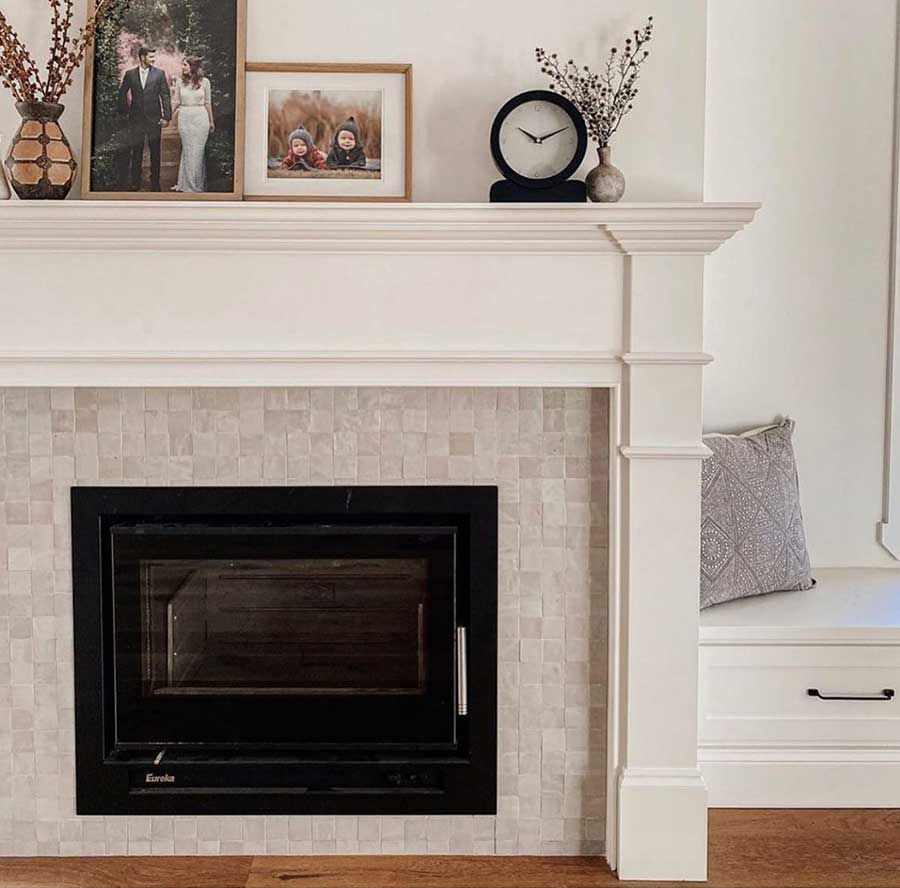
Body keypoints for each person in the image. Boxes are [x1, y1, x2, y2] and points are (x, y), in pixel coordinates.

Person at [119, 46, 172, 191]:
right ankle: (135, 182)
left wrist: (166, 116)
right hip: (136, 119)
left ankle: (155, 182)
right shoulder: (130, 74)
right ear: (142, 57)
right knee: (137, 152)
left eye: (154, 57)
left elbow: (165, 95)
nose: (153, 60)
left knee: (155, 152)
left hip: (154, 119)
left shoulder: (159, 74)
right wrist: (125, 112)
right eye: (151, 57)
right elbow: (122, 93)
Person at [172, 57, 214, 193]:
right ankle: (187, 184)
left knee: (198, 151)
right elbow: (176, 101)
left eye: (185, 65)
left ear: (192, 66)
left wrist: (211, 121)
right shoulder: (179, 82)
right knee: (188, 149)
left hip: (201, 117)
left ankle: (196, 184)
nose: (182, 67)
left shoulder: (205, 82)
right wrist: (167, 117)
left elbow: (208, 102)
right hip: (185, 116)